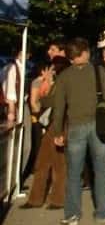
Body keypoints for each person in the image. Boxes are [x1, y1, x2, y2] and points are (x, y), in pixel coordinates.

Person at [50, 37, 105, 225]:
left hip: (75, 127)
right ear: (85, 53)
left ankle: (72, 214)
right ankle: (103, 212)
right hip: (98, 126)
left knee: (74, 173)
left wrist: (58, 133)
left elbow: (59, 108)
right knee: (101, 171)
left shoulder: (64, 76)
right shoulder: (99, 71)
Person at [22, 55, 70, 210]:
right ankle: (38, 199)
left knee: (57, 164)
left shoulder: (63, 83)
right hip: (54, 124)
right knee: (44, 162)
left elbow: (51, 101)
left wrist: (47, 86)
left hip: (59, 124)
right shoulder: (61, 82)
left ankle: (56, 199)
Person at [1, 50, 24, 124]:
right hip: (11, 107)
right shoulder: (12, 68)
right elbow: (10, 91)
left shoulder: (13, 66)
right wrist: (12, 111)